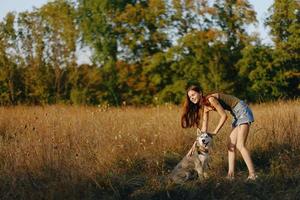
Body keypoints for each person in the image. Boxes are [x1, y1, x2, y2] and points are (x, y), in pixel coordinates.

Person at [181, 85, 257, 180]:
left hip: (242, 111)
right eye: (190, 97)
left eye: (193, 95)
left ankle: (253, 175)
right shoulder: (205, 108)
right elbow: (203, 129)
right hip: (236, 114)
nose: (192, 98)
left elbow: (224, 116)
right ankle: (231, 175)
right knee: (231, 146)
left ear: (200, 93)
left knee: (240, 145)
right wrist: (193, 147)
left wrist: (215, 132)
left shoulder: (211, 99)